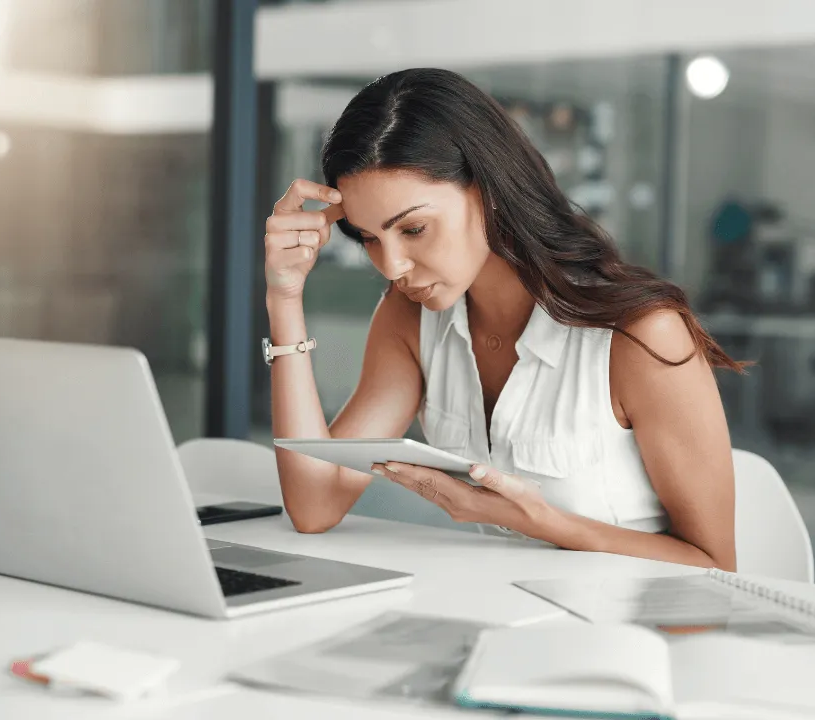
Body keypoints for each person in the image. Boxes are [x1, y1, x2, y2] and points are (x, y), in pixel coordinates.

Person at [263, 68, 740, 570]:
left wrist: (539, 521)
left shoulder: (640, 336)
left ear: (487, 192)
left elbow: (715, 565)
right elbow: (315, 505)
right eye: (369, 239)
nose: (393, 266)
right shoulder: (410, 320)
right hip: (505, 618)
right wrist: (284, 298)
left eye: (415, 228)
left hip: (634, 632)